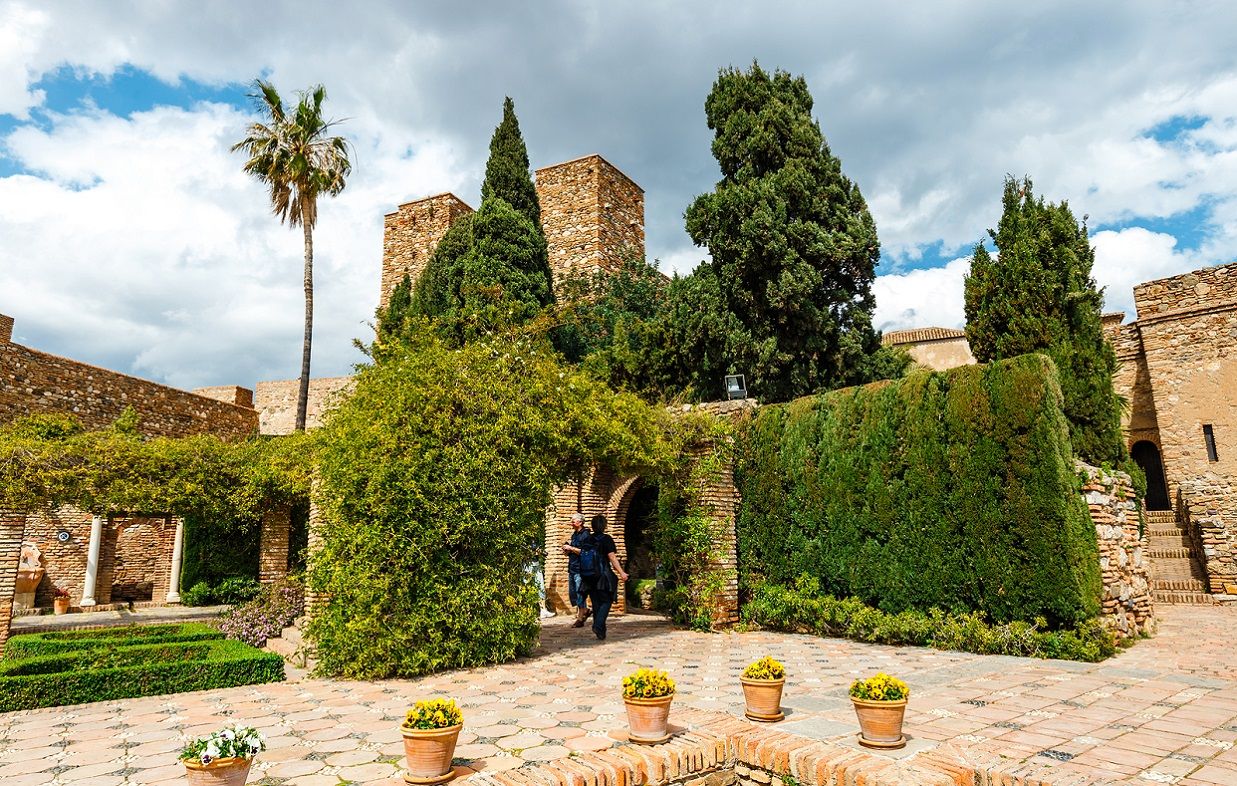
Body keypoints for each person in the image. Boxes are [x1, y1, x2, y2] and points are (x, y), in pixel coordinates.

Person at [583, 514, 628, 640]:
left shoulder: (587, 539)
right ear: (604, 525)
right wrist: (621, 572)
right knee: (607, 600)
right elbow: (612, 557)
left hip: (589, 575)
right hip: (603, 574)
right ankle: (598, 625)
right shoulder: (606, 539)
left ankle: (601, 632)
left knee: (596, 602)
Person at [560, 512, 593, 627]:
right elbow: (574, 551)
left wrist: (571, 548)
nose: (571, 523)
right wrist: (567, 551)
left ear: (580, 522)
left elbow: (585, 552)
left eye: (573, 521)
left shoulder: (586, 535)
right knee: (573, 593)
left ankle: (580, 619)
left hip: (581, 569)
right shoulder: (574, 535)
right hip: (572, 567)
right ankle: (586, 610)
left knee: (580, 593)